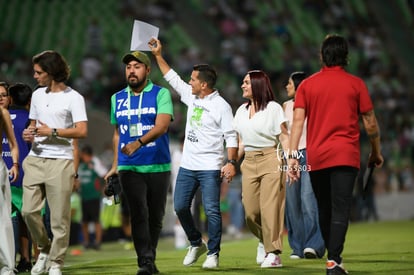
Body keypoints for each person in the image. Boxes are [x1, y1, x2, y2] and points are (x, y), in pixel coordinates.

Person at [287, 34, 384, 275]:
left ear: (322, 55)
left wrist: (292, 156)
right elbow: (370, 123)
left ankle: (332, 260)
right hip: (345, 155)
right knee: (341, 208)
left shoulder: (307, 85)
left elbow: (297, 122)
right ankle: (334, 260)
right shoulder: (356, 84)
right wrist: (375, 151)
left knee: (323, 208)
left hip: (316, 156)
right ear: (346, 56)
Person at [149, 38, 238, 269]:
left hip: (210, 166)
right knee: (180, 207)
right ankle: (196, 242)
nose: (189, 82)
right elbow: (172, 78)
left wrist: (231, 162)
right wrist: (158, 55)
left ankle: (213, 254)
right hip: (188, 165)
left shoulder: (222, 106)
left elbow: (231, 136)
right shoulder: (192, 96)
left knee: (211, 210)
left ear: (204, 85)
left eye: (193, 79)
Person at [104, 50, 174, 275]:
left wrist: (138, 143)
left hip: (158, 163)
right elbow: (117, 134)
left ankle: (149, 258)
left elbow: (162, 126)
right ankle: (144, 262)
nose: (131, 71)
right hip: (129, 165)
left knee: (155, 216)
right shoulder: (117, 98)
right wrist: (115, 164)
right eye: (128, 67)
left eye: (136, 66)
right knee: (138, 213)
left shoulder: (161, 94)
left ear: (147, 70)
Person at [21, 50, 88, 275]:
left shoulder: (74, 98)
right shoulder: (38, 95)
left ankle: (56, 262)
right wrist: (28, 134)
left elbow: (82, 131)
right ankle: (44, 249)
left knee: (59, 219)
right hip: (35, 158)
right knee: (28, 211)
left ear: (51, 72)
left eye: (39, 72)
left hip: (61, 161)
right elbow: (32, 124)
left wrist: (54, 131)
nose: (35, 76)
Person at [232, 70, 288, 268]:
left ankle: (274, 253)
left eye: (246, 82)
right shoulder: (240, 111)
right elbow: (239, 144)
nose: (242, 85)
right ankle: (264, 241)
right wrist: (230, 163)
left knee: (270, 208)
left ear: (257, 84)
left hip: (271, 158)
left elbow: (284, 136)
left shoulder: (273, 108)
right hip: (249, 162)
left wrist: (291, 160)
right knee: (250, 212)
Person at [283, 72, 325, 259]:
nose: (286, 86)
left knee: (308, 198)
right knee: (292, 203)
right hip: (291, 155)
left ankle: (314, 245)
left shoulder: (314, 104)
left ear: (299, 85)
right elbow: (284, 134)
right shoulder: (285, 106)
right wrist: (286, 156)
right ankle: (297, 247)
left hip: (309, 153)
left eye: (289, 83)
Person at [1, 83, 34, 272]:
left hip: (10, 173)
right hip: (21, 174)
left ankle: (16, 259)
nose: (2, 98)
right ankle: (27, 258)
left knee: (14, 217)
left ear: (10, 98)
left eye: (4, 95)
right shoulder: (29, 119)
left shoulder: (7, 117)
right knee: (23, 218)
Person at [0, 82, 20, 275]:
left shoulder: (3, 114)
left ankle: (7, 267)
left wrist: (14, 164)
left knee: (3, 216)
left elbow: (14, 144)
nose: (0, 97)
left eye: (3, 94)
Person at [78, 144, 107, 250]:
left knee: (96, 220)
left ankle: (97, 242)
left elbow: (104, 174)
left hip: (94, 196)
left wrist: (104, 187)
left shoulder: (95, 162)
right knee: (84, 221)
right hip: (84, 196)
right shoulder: (80, 165)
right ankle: (86, 242)